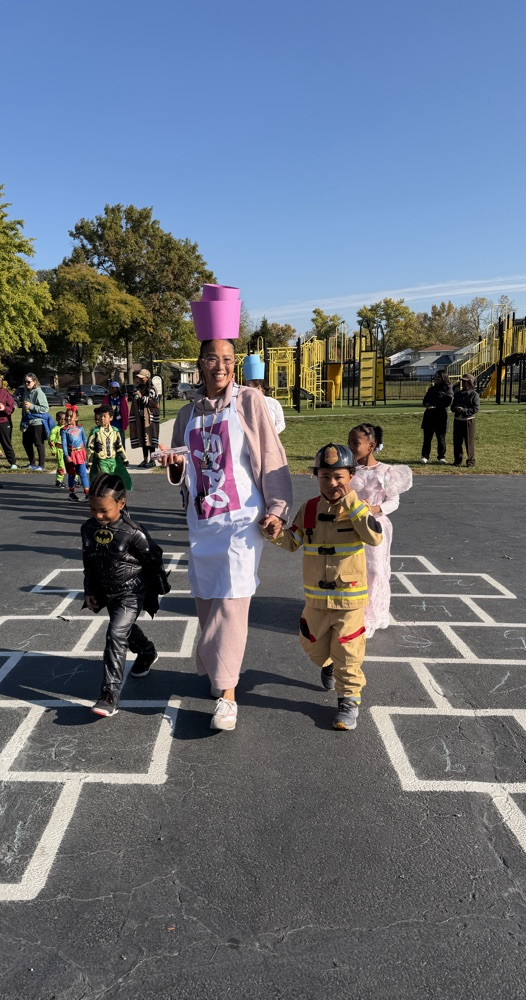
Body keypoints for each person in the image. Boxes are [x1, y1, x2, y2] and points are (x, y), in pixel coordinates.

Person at [157, 284, 292, 732]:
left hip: (241, 522)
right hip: (202, 523)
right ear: (199, 363)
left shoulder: (251, 403)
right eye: (213, 358)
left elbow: (272, 459)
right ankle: (214, 667)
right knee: (207, 603)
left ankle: (228, 694)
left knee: (233, 605)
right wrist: (175, 466)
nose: (221, 367)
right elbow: (182, 473)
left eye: (229, 360)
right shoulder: (187, 412)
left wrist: (277, 507)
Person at [263, 444, 383, 731]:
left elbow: (374, 537)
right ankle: (328, 665)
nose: (332, 483)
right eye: (325, 476)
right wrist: (275, 533)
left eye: (339, 476)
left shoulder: (358, 508)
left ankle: (348, 700)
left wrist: (353, 505)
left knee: (349, 652)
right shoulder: (310, 509)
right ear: (317, 476)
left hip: (348, 598)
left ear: (351, 476)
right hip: (316, 598)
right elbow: (293, 541)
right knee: (310, 643)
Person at [81, 474, 171, 717]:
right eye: (92, 509)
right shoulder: (88, 529)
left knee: (116, 632)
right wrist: (89, 590)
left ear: (121, 503)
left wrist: (158, 588)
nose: (97, 516)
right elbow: (89, 562)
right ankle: (146, 651)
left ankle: (109, 694)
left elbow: (154, 557)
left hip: (132, 592)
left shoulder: (133, 532)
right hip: (107, 591)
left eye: (103, 510)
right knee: (124, 630)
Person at [348, 423, 413, 639]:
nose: (351, 447)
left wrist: (376, 508)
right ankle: (354, 612)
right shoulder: (349, 470)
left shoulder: (386, 471)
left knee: (375, 569)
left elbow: (394, 501)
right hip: (351, 526)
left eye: (356, 443)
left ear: (371, 445)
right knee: (353, 568)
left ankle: (373, 614)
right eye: (349, 443)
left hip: (375, 526)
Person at [88, 404, 131, 489]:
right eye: (100, 416)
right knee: (105, 477)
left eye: (104, 416)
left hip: (112, 461)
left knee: (113, 478)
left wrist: (125, 459)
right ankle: (104, 494)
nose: (102, 418)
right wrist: (89, 462)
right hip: (102, 461)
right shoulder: (96, 432)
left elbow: (119, 446)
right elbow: (90, 448)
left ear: (110, 418)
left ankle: (110, 494)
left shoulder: (115, 431)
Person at [242, 353, 286, 434]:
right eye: (246, 386)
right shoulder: (244, 404)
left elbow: (281, 423)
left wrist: (270, 433)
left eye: (250, 386)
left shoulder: (273, 403)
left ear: (259, 387)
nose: (247, 389)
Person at [420, 370, 454, 464]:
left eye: (439, 377)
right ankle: (425, 456)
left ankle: (441, 457)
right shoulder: (432, 389)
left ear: (444, 377)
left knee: (441, 438)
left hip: (441, 416)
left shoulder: (448, 388)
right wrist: (427, 404)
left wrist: (436, 405)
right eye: (436, 377)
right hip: (429, 416)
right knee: (427, 438)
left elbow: (448, 401)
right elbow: (425, 400)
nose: (437, 379)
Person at [129, 369, 159, 467]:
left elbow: (151, 402)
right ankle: (145, 459)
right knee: (143, 438)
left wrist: (141, 396)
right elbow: (135, 399)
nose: (140, 380)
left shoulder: (152, 389)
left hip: (150, 417)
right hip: (140, 416)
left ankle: (152, 460)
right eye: (139, 378)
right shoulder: (138, 387)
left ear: (147, 378)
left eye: (142, 378)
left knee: (150, 438)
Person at [20, 373, 48, 471]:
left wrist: (31, 406)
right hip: (27, 421)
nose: (27, 383)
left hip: (37, 422)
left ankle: (41, 465)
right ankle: (32, 463)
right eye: (25, 382)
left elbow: (45, 408)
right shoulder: (26, 392)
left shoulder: (38, 393)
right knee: (26, 442)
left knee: (38, 443)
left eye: (29, 382)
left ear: (34, 382)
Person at [451, 374, 480, 467]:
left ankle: (470, 461)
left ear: (470, 383)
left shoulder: (474, 395)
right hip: (458, 420)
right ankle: (457, 460)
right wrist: (456, 408)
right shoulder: (458, 394)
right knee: (457, 442)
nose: (463, 383)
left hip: (468, 421)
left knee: (469, 442)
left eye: (465, 381)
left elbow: (476, 408)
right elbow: (452, 407)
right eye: (462, 381)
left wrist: (464, 410)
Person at [61, 408, 89, 502]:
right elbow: (64, 443)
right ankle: (72, 493)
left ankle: (87, 493)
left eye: (70, 416)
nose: (68, 418)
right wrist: (66, 455)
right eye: (67, 416)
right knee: (71, 474)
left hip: (80, 454)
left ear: (76, 418)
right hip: (70, 455)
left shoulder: (80, 428)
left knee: (83, 474)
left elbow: (84, 440)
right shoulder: (64, 430)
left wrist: (88, 450)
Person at [103, 380, 130, 448]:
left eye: (113, 388)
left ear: (117, 389)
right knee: (111, 442)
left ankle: (122, 458)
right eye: (110, 388)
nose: (111, 389)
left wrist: (126, 423)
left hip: (119, 424)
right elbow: (103, 409)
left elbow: (126, 411)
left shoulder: (122, 399)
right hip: (110, 424)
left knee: (121, 442)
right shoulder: (107, 398)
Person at [48, 410, 67, 488]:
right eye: (60, 419)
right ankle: (59, 480)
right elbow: (51, 441)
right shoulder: (55, 429)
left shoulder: (67, 427)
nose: (62, 421)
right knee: (61, 465)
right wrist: (53, 450)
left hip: (67, 450)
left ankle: (75, 479)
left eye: (64, 419)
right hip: (59, 449)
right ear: (57, 419)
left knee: (71, 465)